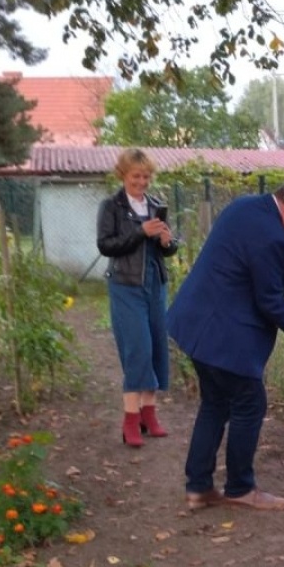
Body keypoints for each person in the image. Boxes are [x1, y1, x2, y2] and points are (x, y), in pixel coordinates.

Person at [166, 176, 284, 512]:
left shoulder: (245, 206)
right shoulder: (273, 239)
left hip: (197, 323)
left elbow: (247, 252)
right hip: (224, 336)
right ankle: (240, 488)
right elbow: (269, 302)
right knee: (250, 404)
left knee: (215, 404)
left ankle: (198, 487)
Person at [96, 148, 179, 447]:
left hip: (155, 285)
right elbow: (106, 245)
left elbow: (167, 249)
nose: (142, 182)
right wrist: (141, 232)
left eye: (146, 176)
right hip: (126, 285)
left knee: (155, 348)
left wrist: (168, 243)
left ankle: (149, 415)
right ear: (123, 175)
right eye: (136, 176)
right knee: (137, 350)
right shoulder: (112, 207)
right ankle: (130, 420)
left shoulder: (155, 205)